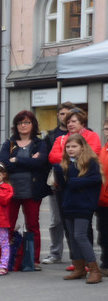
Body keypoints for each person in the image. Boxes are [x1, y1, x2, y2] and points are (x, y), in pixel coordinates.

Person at [48, 108, 100, 273]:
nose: (70, 149)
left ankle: (92, 268)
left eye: (74, 121)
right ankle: (78, 266)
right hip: (68, 202)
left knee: (80, 234)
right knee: (71, 234)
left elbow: (95, 176)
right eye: (68, 147)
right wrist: (62, 166)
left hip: (84, 203)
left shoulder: (90, 157)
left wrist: (74, 181)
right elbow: (52, 157)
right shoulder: (65, 157)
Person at [0, 111, 48, 269]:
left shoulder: (39, 143)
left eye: (27, 122)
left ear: (33, 125)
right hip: (11, 191)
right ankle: (4, 259)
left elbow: (41, 163)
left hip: (32, 190)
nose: (23, 125)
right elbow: (5, 164)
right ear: (16, 126)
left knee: (33, 225)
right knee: (7, 225)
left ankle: (34, 260)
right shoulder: (9, 143)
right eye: (20, 122)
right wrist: (29, 162)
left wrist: (17, 159)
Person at [42, 102, 78, 264]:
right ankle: (55, 253)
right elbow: (49, 159)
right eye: (63, 114)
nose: (66, 118)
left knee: (77, 220)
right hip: (57, 183)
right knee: (56, 220)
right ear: (58, 115)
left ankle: (77, 256)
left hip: (78, 183)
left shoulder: (83, 133)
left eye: (69, 115)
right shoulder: (51, 136)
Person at [97, 116, 108, 271]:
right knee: (103, 233)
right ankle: (105, 263)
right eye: (106, 129)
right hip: (102, 200)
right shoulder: (103, 149)